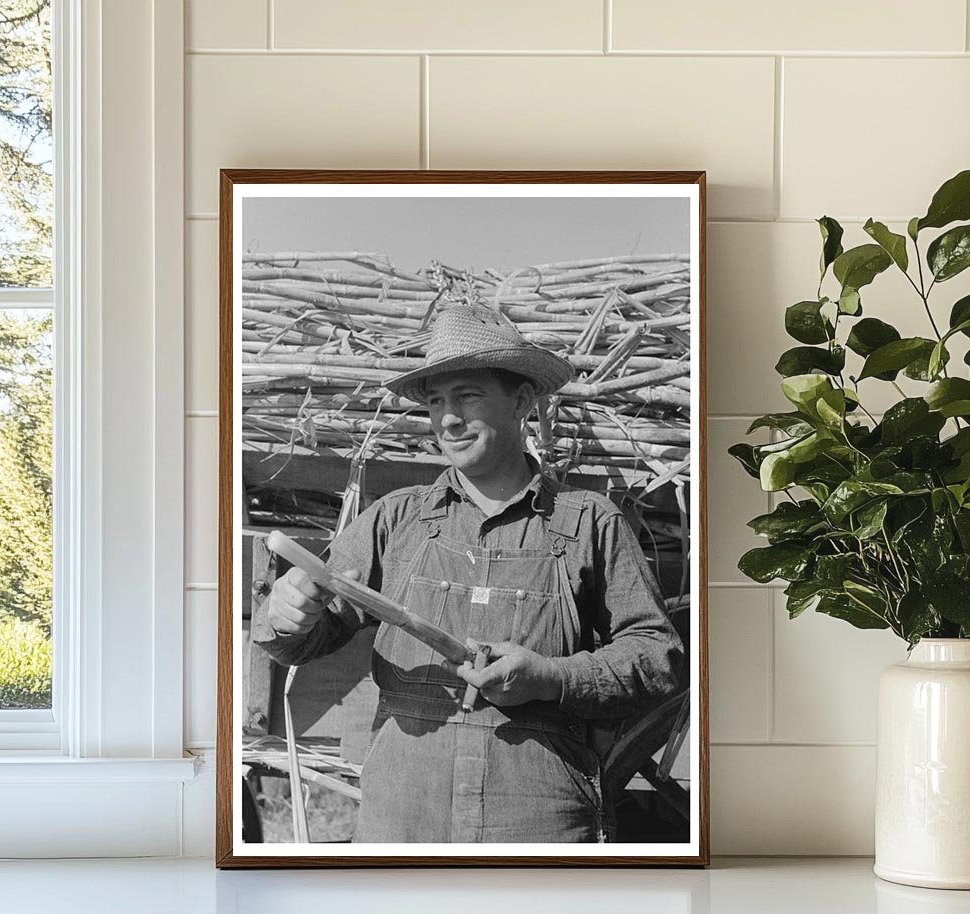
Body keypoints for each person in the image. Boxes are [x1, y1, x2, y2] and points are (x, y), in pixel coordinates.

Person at [250, 301, 684, 843]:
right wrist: (289, 614)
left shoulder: (590, 522)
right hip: (402, 816)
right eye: (436, 402)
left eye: (467, 396)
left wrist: (551, 678)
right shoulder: (394, 519)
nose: (448, 419)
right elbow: (301, 637)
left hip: (537, 814)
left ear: (522, 401)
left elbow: (656, 658)